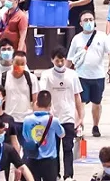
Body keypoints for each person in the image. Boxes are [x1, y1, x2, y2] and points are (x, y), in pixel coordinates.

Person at [67, 11, 110, 137]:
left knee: (97, 102)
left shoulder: (102, 37)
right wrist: (65, 72)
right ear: (81, 23)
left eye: (91, 19)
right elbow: (70, 58)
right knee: (81, 102)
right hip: (81, 76)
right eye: (86, 20)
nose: (89, 22)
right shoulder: (77, 39)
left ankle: (95, 126)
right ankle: (79, 125)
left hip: (98, 76)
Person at [39, 48, 83, 181]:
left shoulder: (72, 74)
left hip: (68, 117)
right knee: (54, 149)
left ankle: (68, 175)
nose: (59, 63)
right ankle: (55, 174)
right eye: (57, 60)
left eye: (62, 60)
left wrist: (80, 117)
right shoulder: (46, 75)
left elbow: (77, 97)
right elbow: (43, 94)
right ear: (52, 60)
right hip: (52, 118)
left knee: (68, 147)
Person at [22, 90, 66, 181]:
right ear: (50, 105)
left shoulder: (27, 120)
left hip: (32, 157)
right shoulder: (54, 120)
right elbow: (62, 134)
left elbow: (25, 137)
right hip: (49, 160)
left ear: (36, 103)